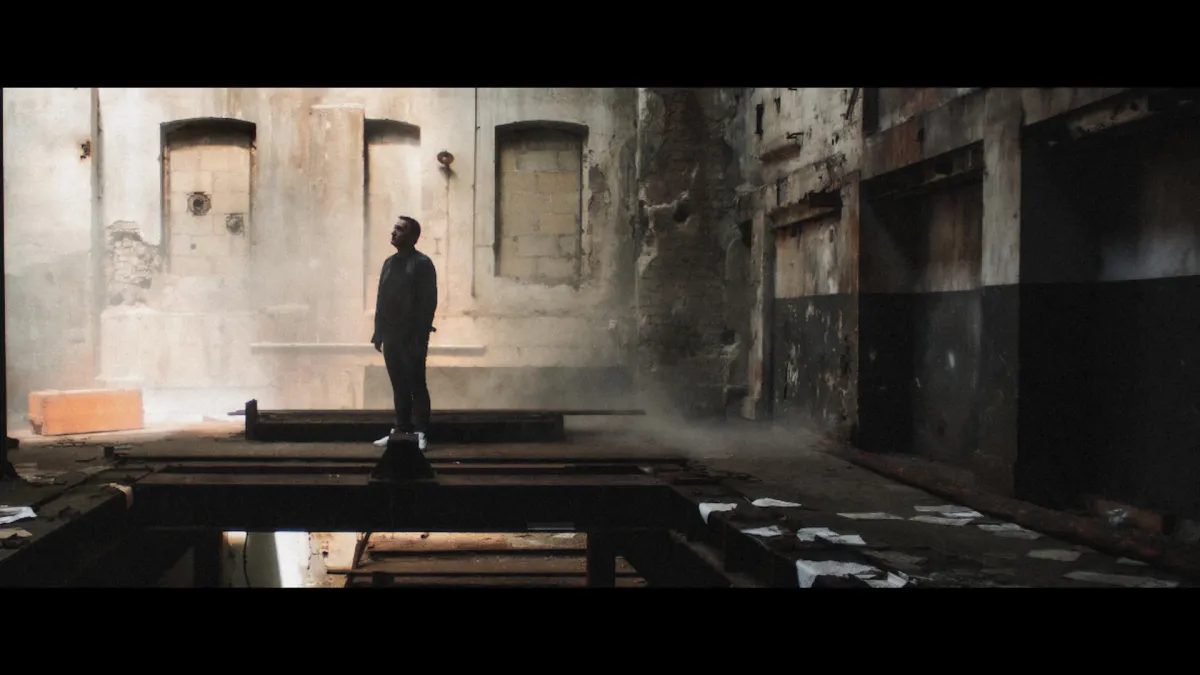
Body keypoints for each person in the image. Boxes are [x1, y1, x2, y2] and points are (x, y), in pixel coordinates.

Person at [371, 216, 437, 451]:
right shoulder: (389, 263)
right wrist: (378, 332)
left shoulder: (422, 263)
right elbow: (381, 298)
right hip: (391, 334)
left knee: (416, 383)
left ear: (413, 237)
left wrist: (420, 334)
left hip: (412, 336)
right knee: (398, 384)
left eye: (400, 229)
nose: (394, 232)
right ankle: (401, 429)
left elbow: (429, 302)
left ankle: (420, 431)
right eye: (394, 228)